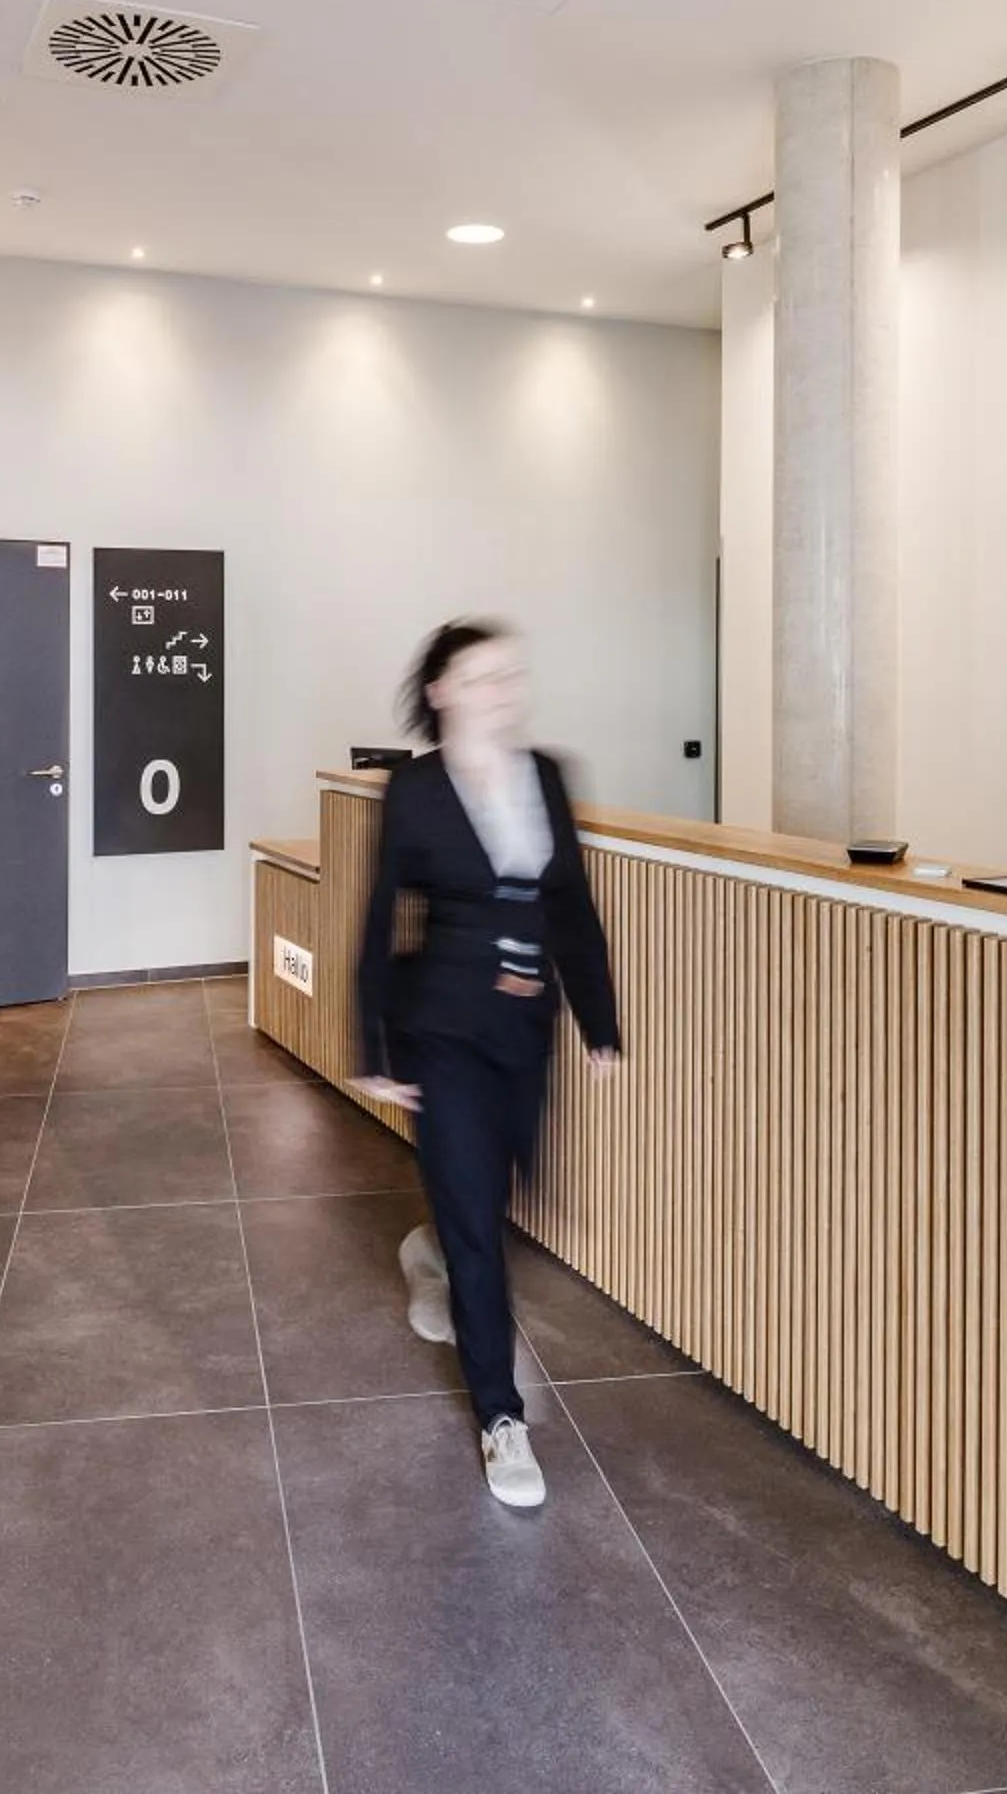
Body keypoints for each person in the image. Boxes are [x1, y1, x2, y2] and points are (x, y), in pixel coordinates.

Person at [352, 621, 620, 1509]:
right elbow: (381, 909)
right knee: (477, 1222)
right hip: (442, 1032)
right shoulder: (417, 789)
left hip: (524, 1027)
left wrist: (600, 1023)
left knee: (499, 1193)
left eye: (512, 673)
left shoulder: (545, 775)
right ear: (441, 692)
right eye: (483, 676)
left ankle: (437, 1249)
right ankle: (502, 1420)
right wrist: (372, 1043)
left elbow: (571, 907)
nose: (505, 688)